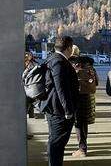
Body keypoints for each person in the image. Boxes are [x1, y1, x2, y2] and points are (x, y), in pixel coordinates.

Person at [39, 36, 79, 166]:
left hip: (55, 108)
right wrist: (68, 110)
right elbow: (61, 87)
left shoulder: (53, 58)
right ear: (68, 48)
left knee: (56, 142)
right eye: (71, 47)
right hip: (58, 110)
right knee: (56, 143)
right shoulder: (59, 61)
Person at [69, 45, 98, 157]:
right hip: (87, 97)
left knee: (76, 124)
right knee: (83, 124)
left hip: (75, 97)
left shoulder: (71, 65)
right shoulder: (89, 65)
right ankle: (82, 147)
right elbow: (96, 82)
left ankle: (81, 149)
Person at [24, 52, 39, 140]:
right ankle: (24, 132)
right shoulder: (28, 65)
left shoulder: (30, 65)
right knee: (23, 113)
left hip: (28, 93)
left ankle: (24, 132)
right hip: (26, 92)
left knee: (24, 113)